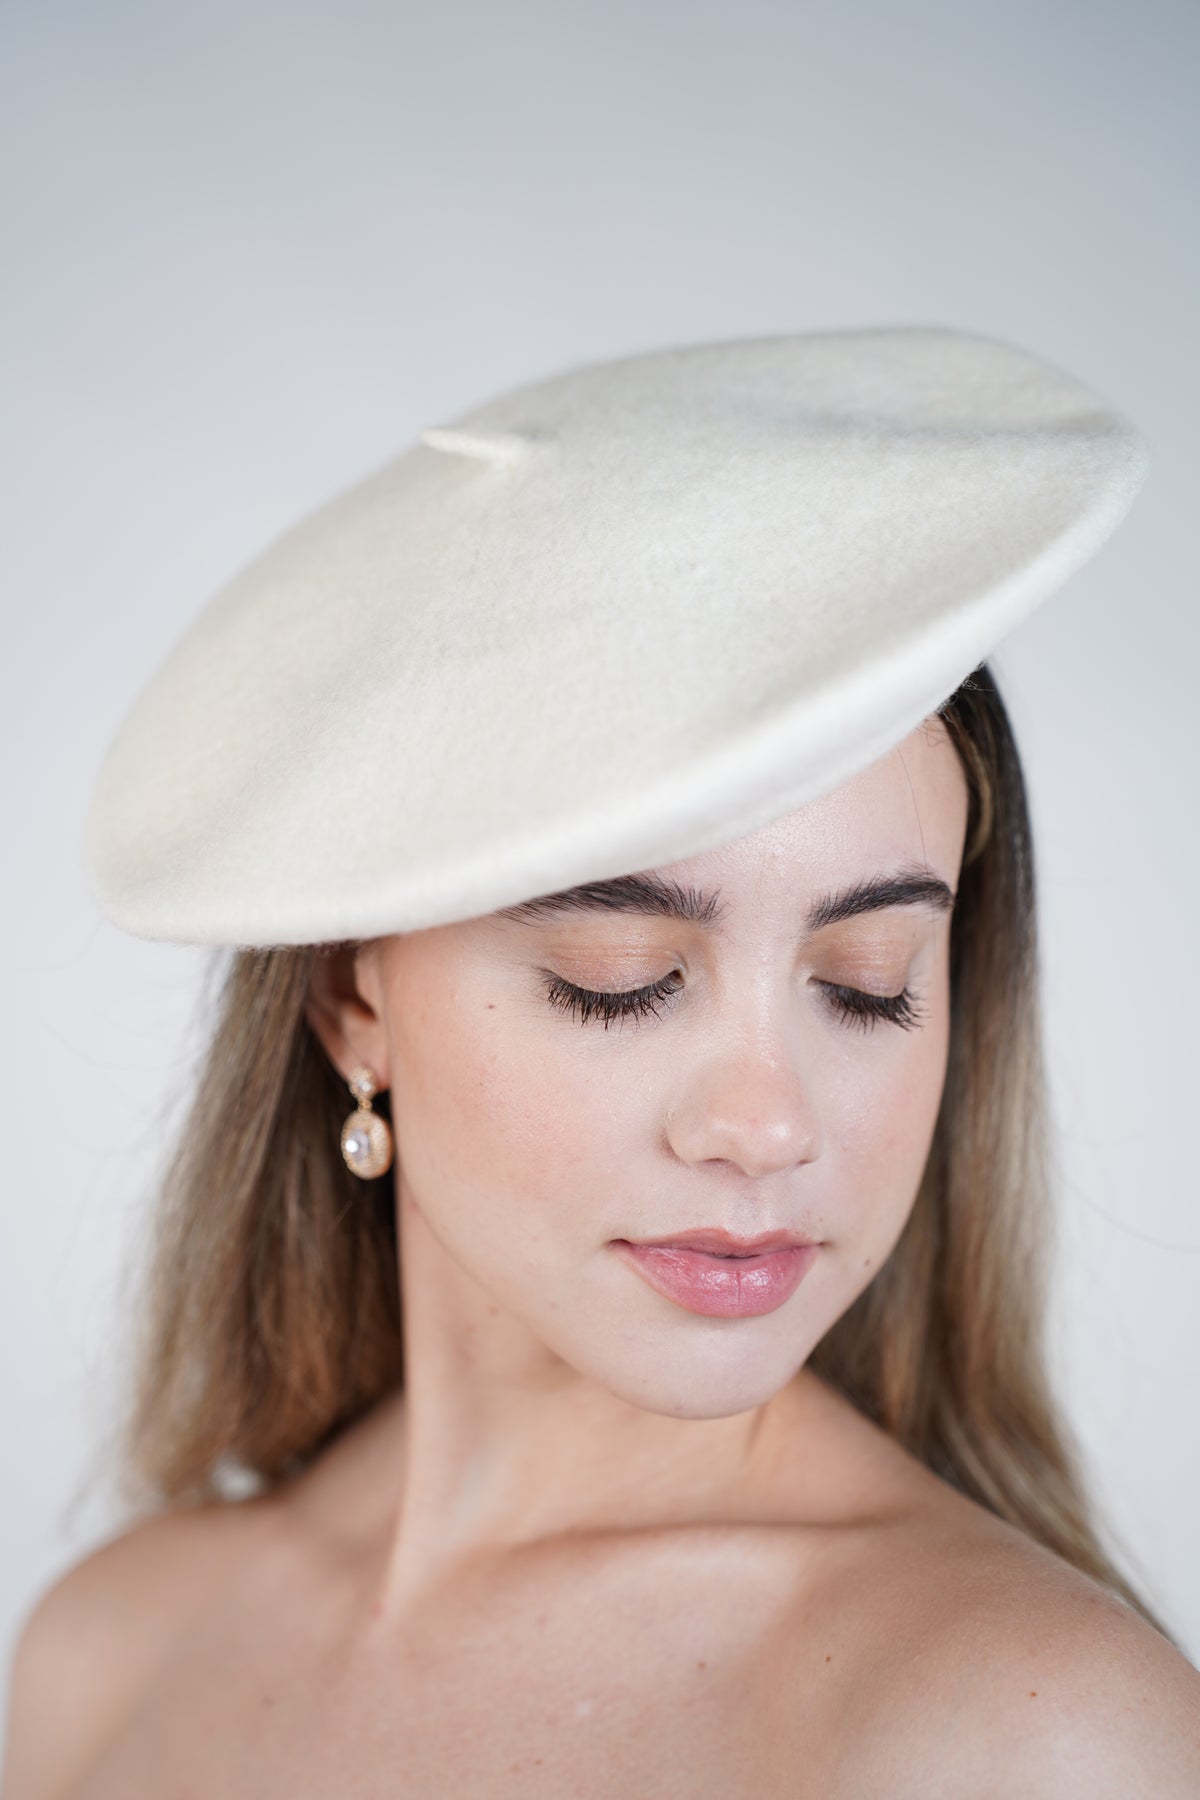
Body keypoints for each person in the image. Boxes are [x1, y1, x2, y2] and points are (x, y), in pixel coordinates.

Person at [3, 329, 1198, 1796]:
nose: (765, 1125)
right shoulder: (104, 1658)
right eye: (620, 981)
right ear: (349, 994)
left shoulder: (1033, 1737)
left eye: (866, 987)